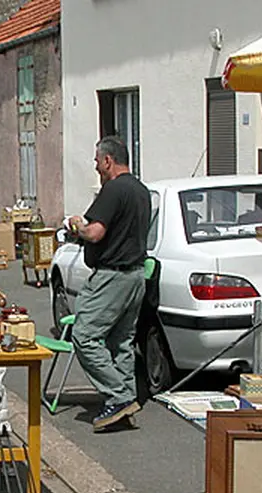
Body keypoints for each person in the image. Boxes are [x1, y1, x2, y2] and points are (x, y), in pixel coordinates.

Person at [66, 136, 151, 432]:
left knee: (85, 336)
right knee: (120, 342)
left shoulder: (113, 189)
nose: (95, 167)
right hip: (136, 274)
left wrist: (77, 224)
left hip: (112, 276)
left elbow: (95, 233)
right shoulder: (141, 190)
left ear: (107, 161)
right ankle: (123, 407)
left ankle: (120, 396)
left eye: (97, 161)